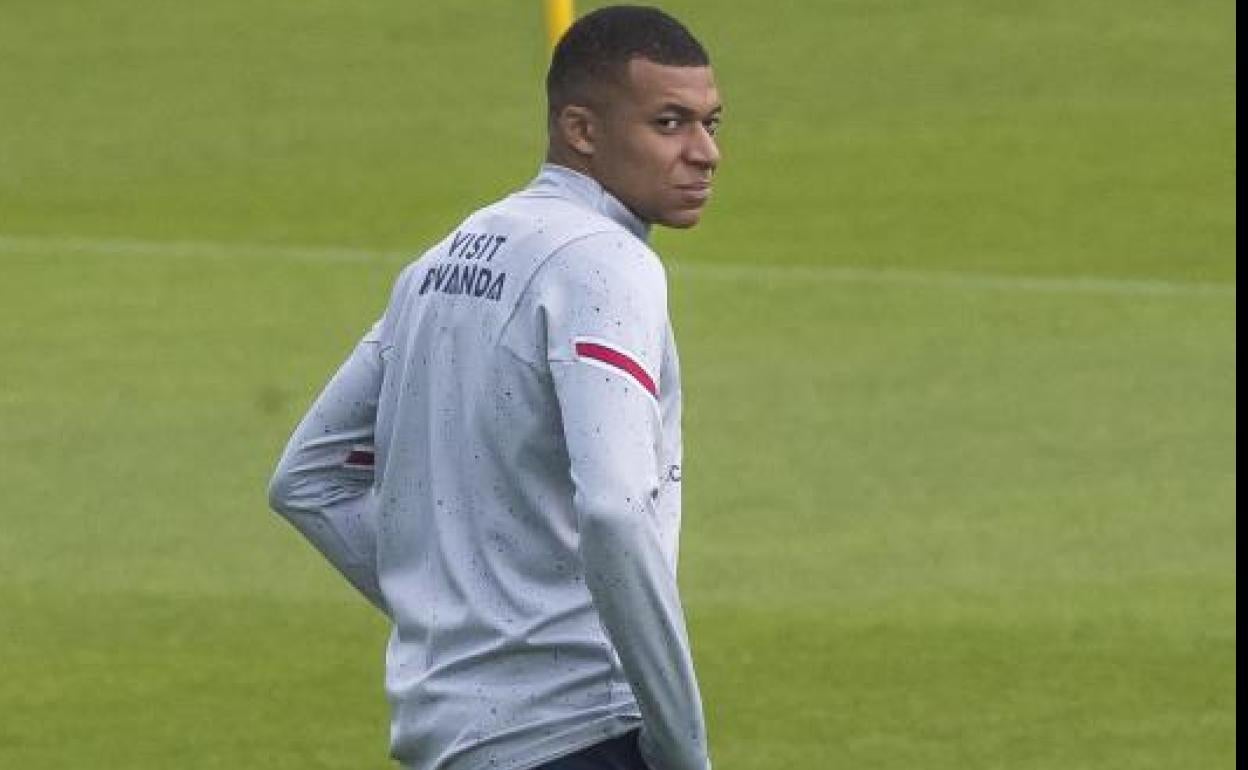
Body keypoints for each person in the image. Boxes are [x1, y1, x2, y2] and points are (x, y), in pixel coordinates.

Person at [267, 6, 722, 769]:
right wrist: (683, 749)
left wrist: (466, 620)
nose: (705, 153)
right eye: (670, 123)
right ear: (581, 130)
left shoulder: (443, 258)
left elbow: (310, 479)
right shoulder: (606, 263)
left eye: (712, 123)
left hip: (447, 741)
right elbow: (614, 510)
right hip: (580, 735)